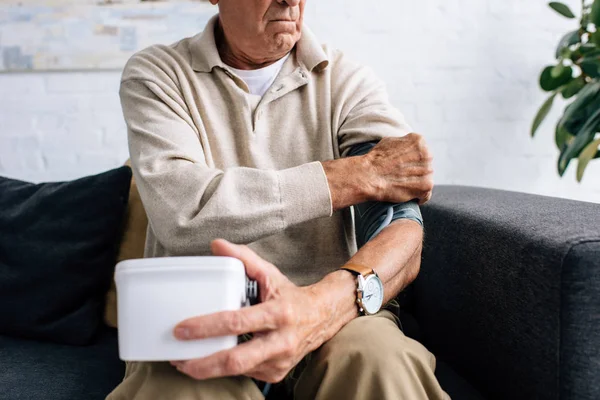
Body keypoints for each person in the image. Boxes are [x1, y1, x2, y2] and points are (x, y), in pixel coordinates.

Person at [108, 0, 448, 399]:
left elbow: (401, 223)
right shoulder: (158, 74)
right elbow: (185, 214)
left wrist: (328, 303)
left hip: (337, 308)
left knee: (380, 360)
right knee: (181, 386)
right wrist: (358, 174)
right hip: (199, 308)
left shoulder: (347, 80)